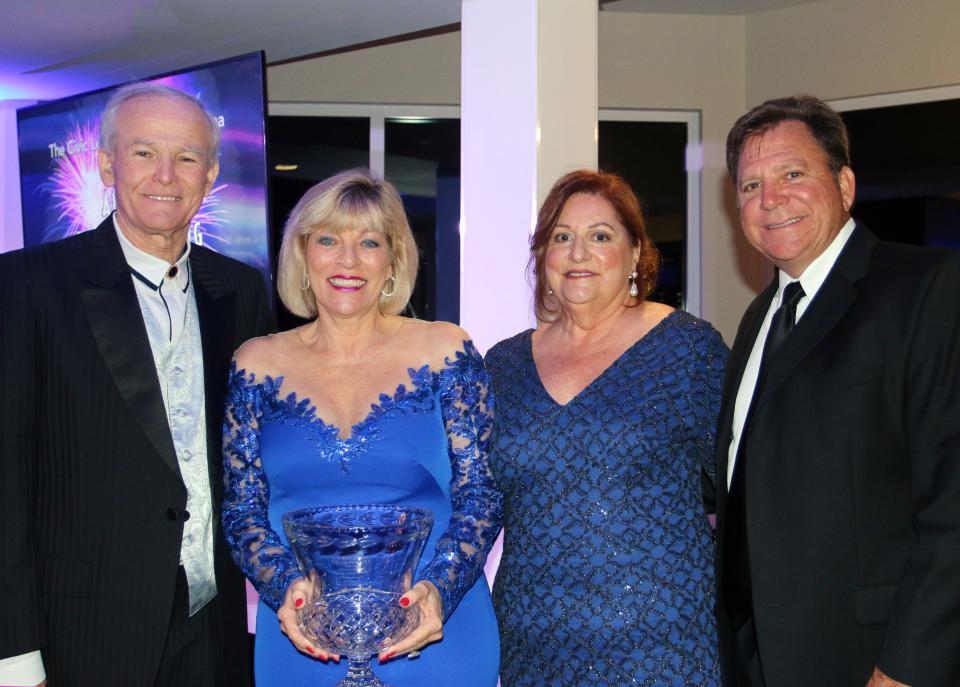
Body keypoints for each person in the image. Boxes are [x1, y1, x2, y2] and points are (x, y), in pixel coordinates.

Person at [0, 82, 270, 687]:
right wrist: (14, 653)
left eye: (188, 157)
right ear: (105, 164)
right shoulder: (27, 285)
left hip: (214, 623)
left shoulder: (242, 289)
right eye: (144, 152)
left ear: (211, 174)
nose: (166, 176)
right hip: (83, 629)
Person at [714, 94, 960, 687]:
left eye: (792, 174)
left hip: (874, 661)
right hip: (759, 662)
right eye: (750, 186)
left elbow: (953, 503)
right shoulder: (756, 320)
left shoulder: (925, 290)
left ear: (845, 184)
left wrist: (904, 671)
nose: (770, 200)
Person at [222, 168, 502, 686]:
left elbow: (481, 495)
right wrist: (287, 588)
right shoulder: (255, 364)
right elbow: (242, 510)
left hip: (432, 630)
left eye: (368, 242)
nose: (347, 260)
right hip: (304, 637)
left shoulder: (445, 350)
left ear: (392, 260)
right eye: (328, 239)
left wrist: (438, 591)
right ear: (302, 255)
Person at [484, 169, 728, 686]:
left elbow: (749, 487)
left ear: (636, 253)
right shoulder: (502, 364)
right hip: (533, 643)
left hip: (661, 645)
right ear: (542, 257)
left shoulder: (686, 349)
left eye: (600, 236)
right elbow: (477, 505)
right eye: (561, 238)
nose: (578, 254)